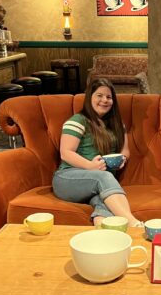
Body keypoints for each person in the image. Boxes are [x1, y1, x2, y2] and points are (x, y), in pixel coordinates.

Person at [53, 78, 142, 227]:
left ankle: (102, 233)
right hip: (67, 178)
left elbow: (125, 151)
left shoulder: (117, 124)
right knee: (104, 178)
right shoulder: (78, 121)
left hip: (98, 182)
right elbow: (65, 153)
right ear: (90, 97)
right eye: (99, 95)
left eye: (109, 97)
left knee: (103, 202)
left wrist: (122, 159)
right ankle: (134, 224)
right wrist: (90, 166)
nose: (104, 100)